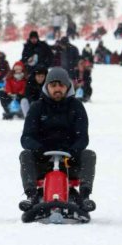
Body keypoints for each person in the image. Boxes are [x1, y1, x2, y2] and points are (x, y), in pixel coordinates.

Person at [19, 67, 96, 211]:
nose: (57, 89)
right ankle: (31, 195)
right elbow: (26, 137)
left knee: (88, 154)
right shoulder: (37, 107)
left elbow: (82, 137)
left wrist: (73, 150)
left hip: (69, 161)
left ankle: (85, 196)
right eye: (53, 85)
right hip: (43, 160)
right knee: (25, 155)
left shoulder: (76, 107)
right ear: (47, 87)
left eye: (61, 85)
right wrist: (39, 148)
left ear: (68, 87)